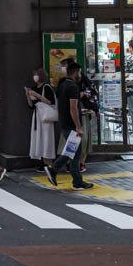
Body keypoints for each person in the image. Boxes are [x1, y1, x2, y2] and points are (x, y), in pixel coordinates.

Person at [46, 61, 94, 190]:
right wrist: (78, 127)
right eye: (79, 72)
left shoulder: (62, 84)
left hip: (64, 121)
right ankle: (59, 172)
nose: (80, 75)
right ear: (75, 72)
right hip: (72, 124)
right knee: (74, 153)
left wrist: (79, 110)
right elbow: (73, 107)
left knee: (73, 152)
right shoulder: (73, 87)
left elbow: (67, 106)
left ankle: (71, 178)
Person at [25, 68, 57, 167]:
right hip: (37, 115)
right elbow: (31, 106)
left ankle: (49, 163)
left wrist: (36, 95)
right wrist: (28, 96)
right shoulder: (33, 88)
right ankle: (43, 163)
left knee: (47, 138)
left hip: (46, 116)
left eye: (37, 75)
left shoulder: (46, 87)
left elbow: (50, 102)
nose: (35, 77)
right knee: (38, 137)